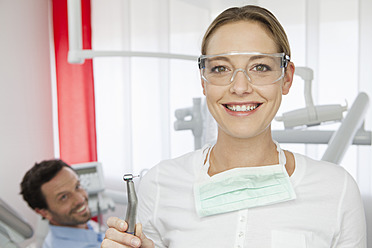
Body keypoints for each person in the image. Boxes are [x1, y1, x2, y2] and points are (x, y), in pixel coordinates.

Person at [101, 5, 366, 248]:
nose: (240, 87)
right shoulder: (159, 185)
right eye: (220, 69)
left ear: (286, 78)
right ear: (203, 81)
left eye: (260, 67)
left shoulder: (336, 190)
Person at [20, 159, 104, 248]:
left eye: (77, 186)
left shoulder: (84, 225)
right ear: (44, 212)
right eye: (64, 197)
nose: (80, 199)